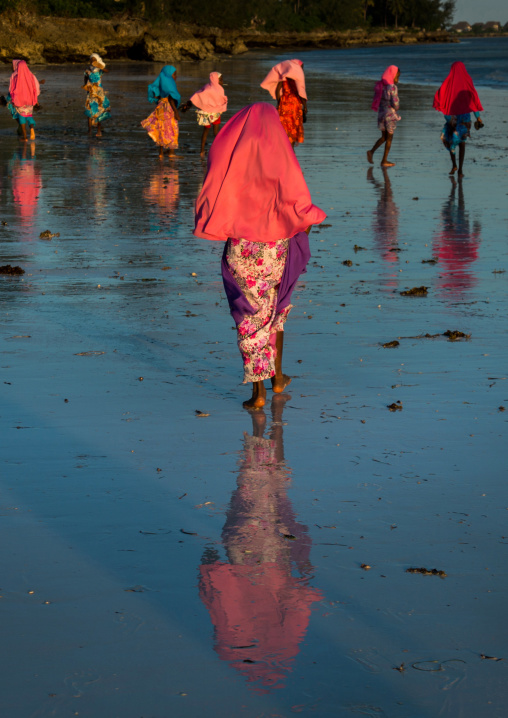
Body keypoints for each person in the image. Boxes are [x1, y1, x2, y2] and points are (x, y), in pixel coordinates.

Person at [194, 103, 326, 409]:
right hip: (275, 246)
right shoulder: (278, 147)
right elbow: (295, 193)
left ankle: (259, 393)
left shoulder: (235, 151)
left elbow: (215, 180)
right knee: (275, 312)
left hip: (242, 247)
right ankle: (277, 377)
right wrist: (308, 219)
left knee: (250, 317)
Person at [433, 61, 484, 177]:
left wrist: (448, 118)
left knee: (452, 140)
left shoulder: (448, 83)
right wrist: (478, 117)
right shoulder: (467, 81)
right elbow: (473, 101)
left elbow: (440, 98)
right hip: (464, 119)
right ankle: (458, 167)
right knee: (461, 143)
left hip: (453, 118)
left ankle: (456, 167)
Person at [260, 59, 307, 147]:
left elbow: (278, 91)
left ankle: (286, 150)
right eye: (301, 67)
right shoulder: (298, 78)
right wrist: (305, 107)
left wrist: (279, 102)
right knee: (293, 128)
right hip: (295, 106)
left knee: (285, 127)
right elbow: (301, 93)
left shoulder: (284, 78)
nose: (302, 69)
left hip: (284, 104)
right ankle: (291, 152)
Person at [180, 72, 228, 156]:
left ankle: (202, 150)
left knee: (205, 131)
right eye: (220, 79)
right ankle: (219, 149)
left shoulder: (207, 87)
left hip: (205, 113)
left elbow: (197, 96)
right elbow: (222, 99)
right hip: (215, 113)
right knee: (216, 132)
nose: (222, 81)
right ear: (216, 79)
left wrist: (188, 105)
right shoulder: (219, 89)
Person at [141, 65, 181, 159]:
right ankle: (171, 152)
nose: (176, 77)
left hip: (160, 107)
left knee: (161, 129)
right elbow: (171, 99)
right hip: (169, 109)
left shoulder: (161, 83)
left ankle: (161, 153)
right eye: (174, 74)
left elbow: (157, 96)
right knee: (172, 128)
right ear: (169, 75)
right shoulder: (170, 84)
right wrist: (176, 112)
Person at [367, 65, 401, 168]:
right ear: (392, 76)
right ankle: (384, 160)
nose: (397, 79)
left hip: (381, 114)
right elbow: (395, 103)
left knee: (384, 137)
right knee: (389, 138)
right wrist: (397, 107)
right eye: (397, 77)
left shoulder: (381, 86)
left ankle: (371, 151)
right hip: (389, 115)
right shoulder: (392, 88)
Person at [4, 60, 42, 141]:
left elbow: (11, 89)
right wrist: (35, 98)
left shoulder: (14, 75)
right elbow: (36, 87)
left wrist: (12, 99)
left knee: (21, 117)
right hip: (29, 101)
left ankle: (24, 137)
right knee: (29, 115)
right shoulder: (31, 75)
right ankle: (31, 128)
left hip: (19, 101)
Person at [83, 53, 110, 138]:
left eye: (94, 60)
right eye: (91, 60)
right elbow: (85, 80)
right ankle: (90, 130)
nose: (92, 62)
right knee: (89, 111)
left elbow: (107, 70)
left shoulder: (99, 70)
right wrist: (87, 88)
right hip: (91, 93)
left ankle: (99, 130)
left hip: (99, 93)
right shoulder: (87, 71)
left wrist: (98, 65)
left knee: (99, 112)